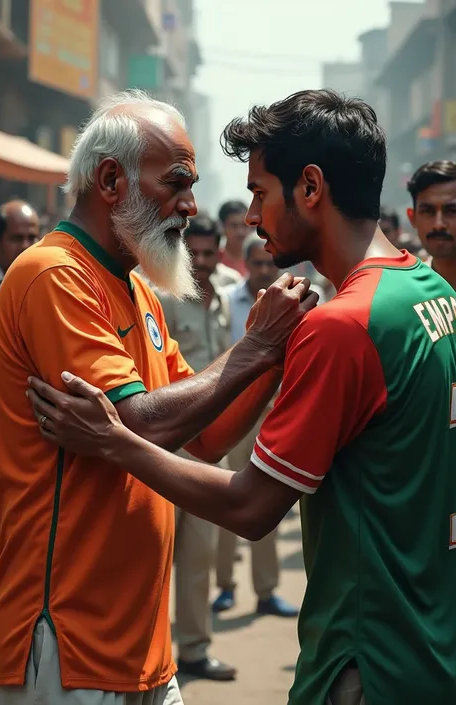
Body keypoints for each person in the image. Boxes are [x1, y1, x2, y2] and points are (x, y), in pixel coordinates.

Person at [28, 89, 456, 705]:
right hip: (426, 644)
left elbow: (254, 508)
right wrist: (260, 350)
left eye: (259, 192)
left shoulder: (343, 325)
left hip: (368, 657)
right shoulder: (425, 289)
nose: (251, 216)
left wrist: (116, 443)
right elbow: (205, 429)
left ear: (310, 188)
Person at [0, 89, 316, 705]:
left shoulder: (135, 290)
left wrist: (273, 354)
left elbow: (206, 435)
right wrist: (254, 348)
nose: (190, 205)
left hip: (139, 640)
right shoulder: (55, 275)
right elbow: (144, 426)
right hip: (68, 638)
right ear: (111, 180)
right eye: (176, 183)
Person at [155, 213, 236, 681]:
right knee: (154, 554)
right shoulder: (163, 300)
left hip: (212, 444)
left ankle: (193, 649)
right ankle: (151, 654)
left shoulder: (222, 300)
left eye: (210, 253)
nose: (202, 262)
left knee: (199, 555)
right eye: (195, 253)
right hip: (168, 445)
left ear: (219, 252)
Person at [213, 232, 298, 618]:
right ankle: (226, 586)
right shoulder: (228, 303)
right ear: (244, 264)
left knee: (267, 502)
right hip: (234, 414)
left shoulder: (294, 306)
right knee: (227, 499)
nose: (264, 271)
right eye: (257, 263)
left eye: (270, 264)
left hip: (275, 413)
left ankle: (266, 590)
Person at [0, 200, 39, 645]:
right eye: (17, 238)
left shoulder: (42, 283)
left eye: (32, 236)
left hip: (35, 433)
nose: (26, 245)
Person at [407, 160, 456, 288]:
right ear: (412, 218)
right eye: (427, 211)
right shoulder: (409, 289)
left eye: (452, 211)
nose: (438, 225)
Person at [218, 200, 250, 276]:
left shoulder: (259, 261)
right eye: (234, 226)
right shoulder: (214, 258)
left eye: (244, 225)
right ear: (222, 227)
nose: (240, 232)